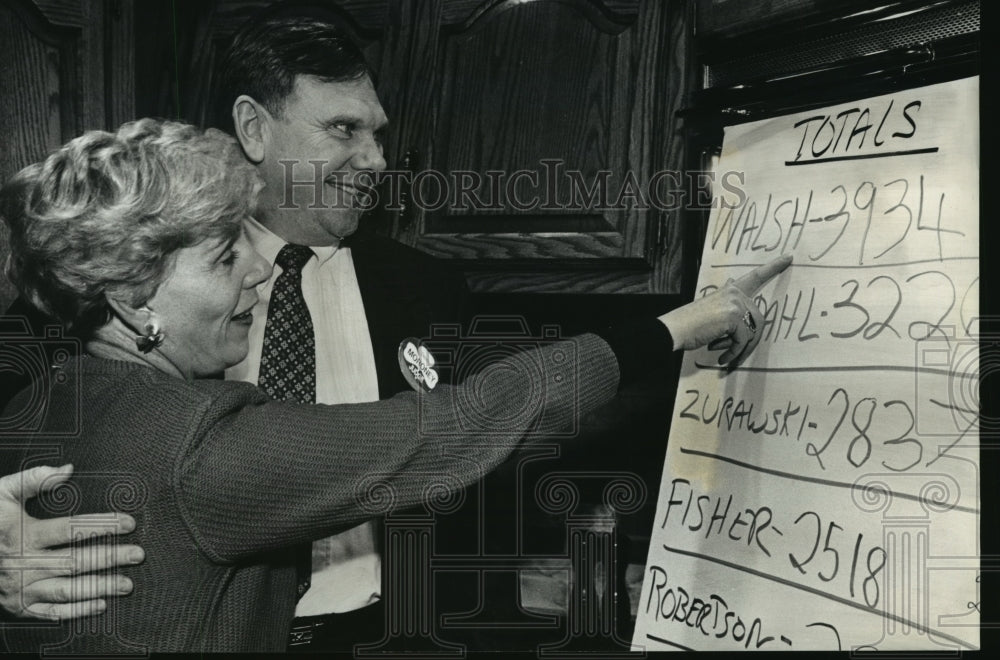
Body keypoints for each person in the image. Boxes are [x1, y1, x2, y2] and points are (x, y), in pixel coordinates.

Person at [0, 117, 788, 652]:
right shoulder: (201, 446)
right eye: (220, 258)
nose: (254, 274)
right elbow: (455, 427)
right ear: (131, 297)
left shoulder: (42, 400)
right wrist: (673, 330)